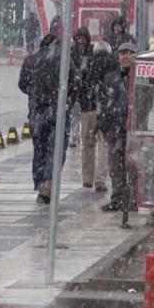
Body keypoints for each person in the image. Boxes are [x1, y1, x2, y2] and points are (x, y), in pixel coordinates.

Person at [18, 34, 67, 204]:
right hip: (57, 109)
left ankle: (40, 182)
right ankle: (48, 181)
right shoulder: (62, 60)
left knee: (39, 148)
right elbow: (74, 82)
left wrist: (34, 94)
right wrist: (65, 98)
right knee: (56, 148)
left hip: (36, 110)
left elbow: (22, 84)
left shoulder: (31, 60)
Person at [98, 43, 136, 212]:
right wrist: (105, 126)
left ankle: (133, 200)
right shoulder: (111, 78)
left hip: (133, 130)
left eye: (128, 53)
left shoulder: (138, 77)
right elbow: (103, 102)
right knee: (115, 167)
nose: (125, 56)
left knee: (133, 166)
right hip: (114, 130)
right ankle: (117, 198)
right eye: (122, 53)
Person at [70, 27, 104, 190]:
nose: (80, 41)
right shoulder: (74, 54)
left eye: (83, 38)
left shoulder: (92, 54)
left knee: (98, 144)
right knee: (89, 144)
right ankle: (89, 178)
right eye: (78, 38)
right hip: (87, 105)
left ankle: (98, 179)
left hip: (95, 104)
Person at [88, 41, 118, 192]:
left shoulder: (90, 63)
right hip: (106, 109)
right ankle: (100, 179)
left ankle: (87, 178)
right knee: (103, 145)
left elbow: (85, 84)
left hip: (89, 109)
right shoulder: (112, 64)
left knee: (88, 145)